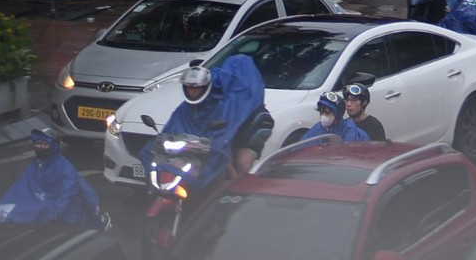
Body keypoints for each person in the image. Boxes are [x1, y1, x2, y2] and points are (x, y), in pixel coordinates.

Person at [159, 55, 270, 187]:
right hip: (218, 138)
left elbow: (232, 128)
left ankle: (235, 191)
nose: (193, 91)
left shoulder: (244, 102)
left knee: (238, 163)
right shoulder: (216, 96)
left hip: (243, 137)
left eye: (196, 88)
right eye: (190, 88)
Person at [0, 127, 104, 226]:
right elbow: (20, 189)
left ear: (54, 146)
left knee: (37, 210)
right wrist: (1, 205)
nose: (39, 147)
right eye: (37, 143)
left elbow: (68, 193)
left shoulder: (65, 169)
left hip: (66, 216)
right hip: (44, 209)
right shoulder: (35, 166)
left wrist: (54, 213)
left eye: (44, 144)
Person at [294, 92, 371, 147]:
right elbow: (300, 147)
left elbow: (347, 155)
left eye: (327, 113)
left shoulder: (349, 130)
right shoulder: (318, 127)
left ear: (337, 115)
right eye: (321, 112)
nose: (323, 115)